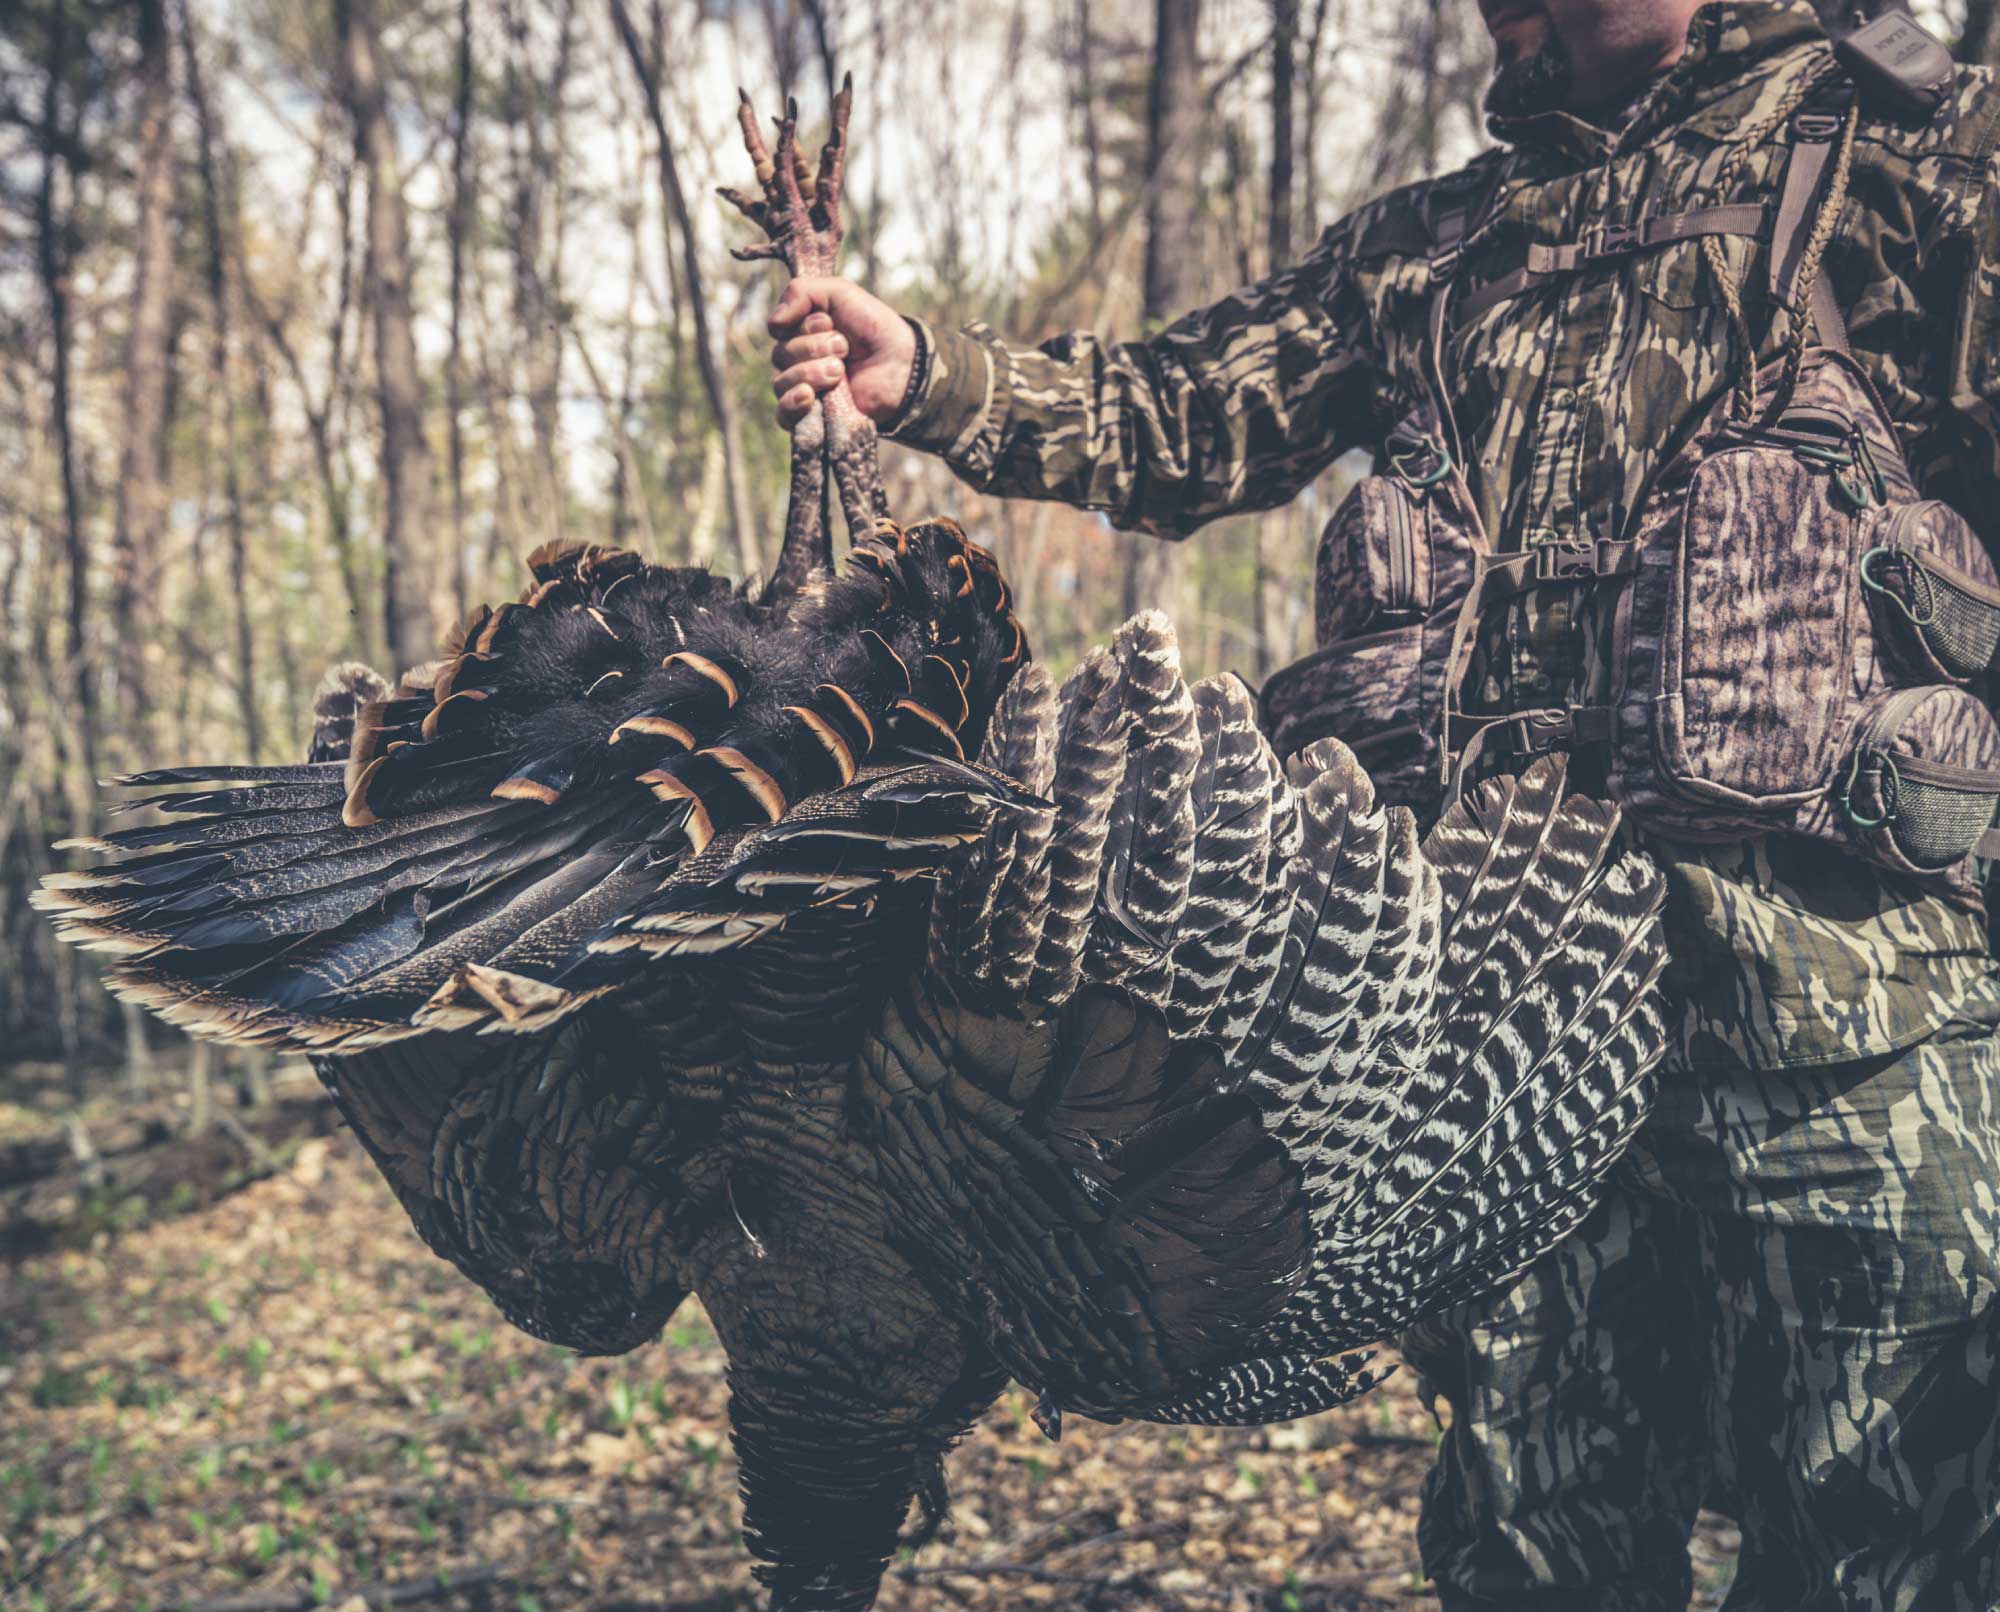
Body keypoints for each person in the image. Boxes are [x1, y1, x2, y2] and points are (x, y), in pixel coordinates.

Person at [765, 2, 2000, 1607]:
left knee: (1886, 1538)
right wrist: (928, 372)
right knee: (1530, 1535)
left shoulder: (1930, 149)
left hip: (1853, 1020)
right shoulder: (1436, 242)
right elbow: (1183, 410)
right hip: (1495, 1033)